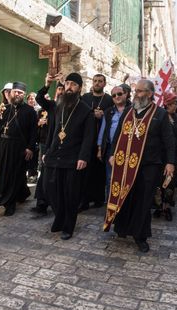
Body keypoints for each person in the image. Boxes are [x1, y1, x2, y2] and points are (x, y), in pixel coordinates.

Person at [103, 79, 175, 252]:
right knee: (125, 197)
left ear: (150, 94)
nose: (136, 94)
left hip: (149, 165)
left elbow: (169, 141)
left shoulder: (160, 114)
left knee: (143, 202)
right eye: (136, 91)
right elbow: (118, 135)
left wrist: (170, 162)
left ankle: (140, 236)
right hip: (125, 164)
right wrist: (112, 154)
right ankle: (122, 228)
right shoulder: (128, 111)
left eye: (141, 91)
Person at [43, 73, 95, 240]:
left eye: (73, 84)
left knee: (70, 194)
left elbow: (89, 137)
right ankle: (59, 219)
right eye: (67, 84)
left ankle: (68, 227)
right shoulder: (59, 105)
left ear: (79, 87)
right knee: (52, 191)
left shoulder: (86, 110)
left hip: (73, 159)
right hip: (55, 156)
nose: (69, 87)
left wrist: (83, 157)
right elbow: (40, 101)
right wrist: (47, 85)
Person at [0, 82, 37, 216]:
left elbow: (33, 132)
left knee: (14, 174)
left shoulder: (30, 111)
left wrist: (30, 148)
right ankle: (22, 194)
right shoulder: (6, 109)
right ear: (11, 93)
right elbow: (0, 128)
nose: (17, 94)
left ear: (23, 95)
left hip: (19, 148)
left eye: (20, 93)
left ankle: (9, 204)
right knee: (5, 173)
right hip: (4, 146)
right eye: (15, 91)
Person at [31, 75, 64, 217]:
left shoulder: (74, 106)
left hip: (64, 148)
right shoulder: (52, 106)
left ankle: (58, 206)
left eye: (64, 89)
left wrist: (63, 82)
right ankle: (41, 205)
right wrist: (47, 85)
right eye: (59, 89)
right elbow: (39, 98)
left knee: (59, 177)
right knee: (44, 175)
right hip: (49, 146)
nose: (61, 92)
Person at [80, 74, 113, 210]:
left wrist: (103, 115)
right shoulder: (85, 98)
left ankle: (98, 199)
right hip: (86, 139)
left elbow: (112, 115)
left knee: (99, 172)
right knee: (85, 171)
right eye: (95, 81)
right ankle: (84, 200)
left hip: (102, 142)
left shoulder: (110, 99)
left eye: (100, 81)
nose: (97, 83)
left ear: (104, 84)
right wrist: (92, 114)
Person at [153, 92, 177, 221]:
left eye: (176, 104)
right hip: (161, 155)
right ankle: (159, 206)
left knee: (170, 182)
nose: (175, 106)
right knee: (159, 181)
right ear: (167, 104)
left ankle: (167, 207)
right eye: (173, 104)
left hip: (174, 155)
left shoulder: (176, 118)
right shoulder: (160, 116)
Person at [97, 85, 130, 199]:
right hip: (111, 148)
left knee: (127, 176)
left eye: (119, 94)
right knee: (110, 177)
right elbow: (103, 131)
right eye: (114, 95)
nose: (117, 97)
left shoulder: (133, 110)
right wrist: (100, 149)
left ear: (125, 94)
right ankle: (111, 202)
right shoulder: (108, 112)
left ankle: (125, 201)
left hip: (129, 148)